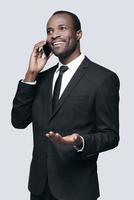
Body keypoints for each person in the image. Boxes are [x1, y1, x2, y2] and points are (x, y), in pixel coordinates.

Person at [11, 10, 120, 200]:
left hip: (76, 190)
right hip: (39, 188)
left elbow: (111, 136)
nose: (54, 35)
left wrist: (80, 141)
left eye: (62, 28)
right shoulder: (41, 79)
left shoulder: (102, 79)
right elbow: (18, 121)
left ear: (78, 34)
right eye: (49, 31)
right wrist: (31, 74)